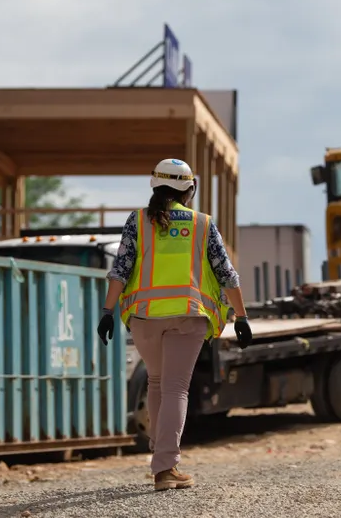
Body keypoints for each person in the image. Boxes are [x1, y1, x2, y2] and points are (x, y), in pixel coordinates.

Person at [97, 158, 252, 492]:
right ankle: (166, 468)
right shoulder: (202, 224)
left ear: (155, 186)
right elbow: (227, 274)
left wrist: (108, 311)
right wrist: (241, 317)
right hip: (187, 316)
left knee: (156, 381)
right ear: (189, 189)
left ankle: (160, 453)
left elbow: (120, 270)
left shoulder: (137, 221)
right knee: (175, 388)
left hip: (144, 318)